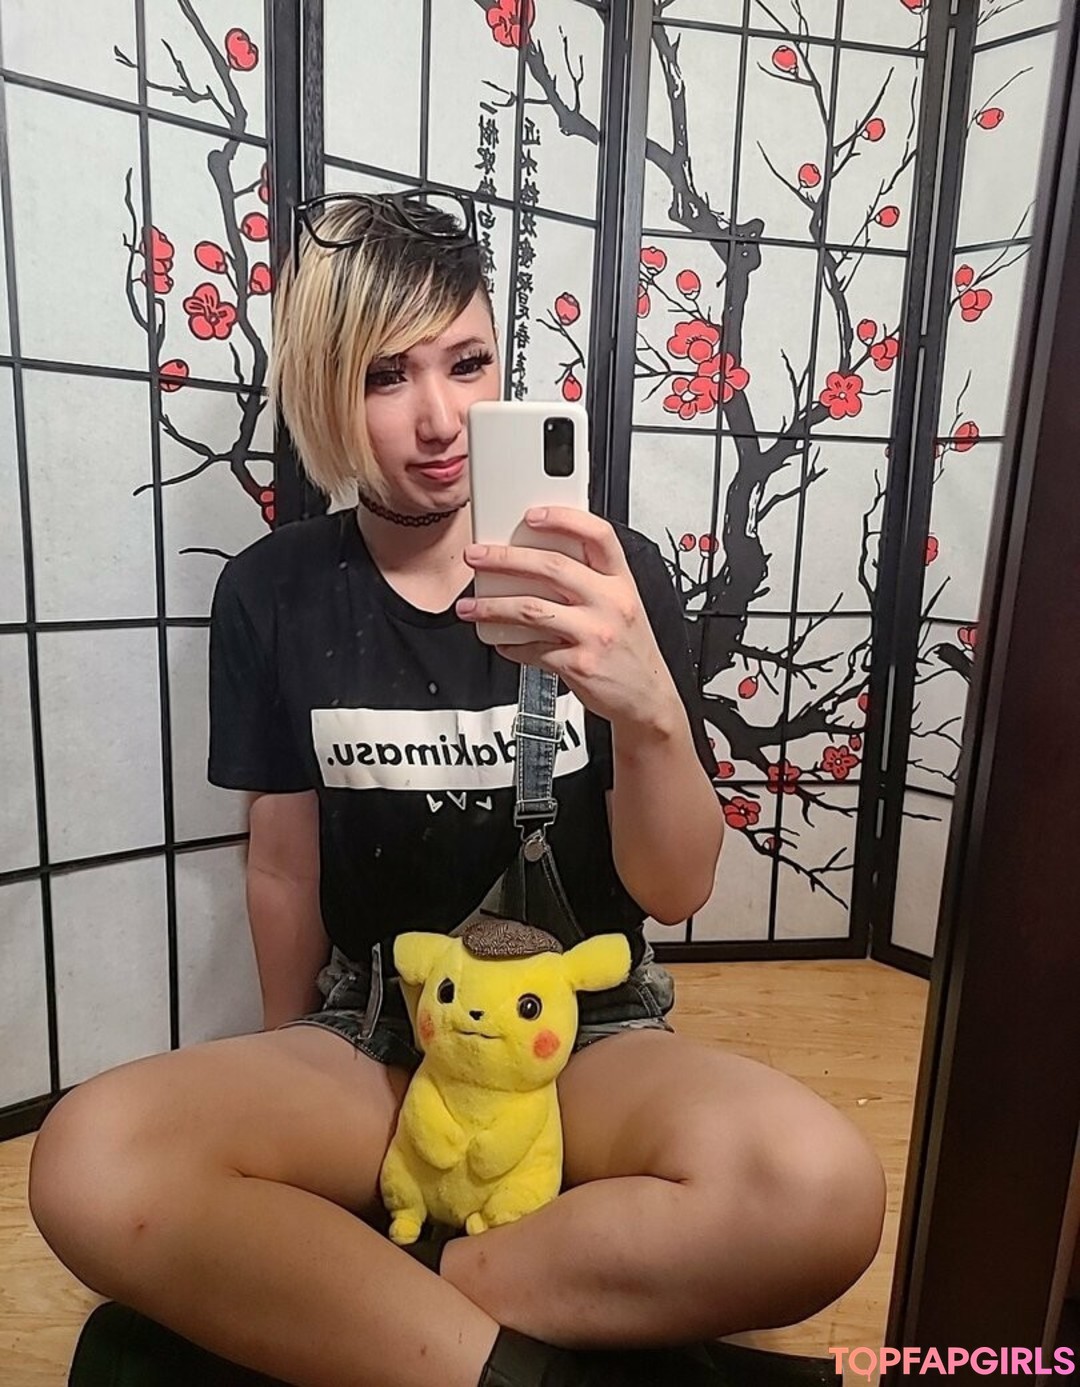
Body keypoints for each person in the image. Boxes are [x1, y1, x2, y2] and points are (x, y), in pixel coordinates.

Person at [28, 191, 886, 1387]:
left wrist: (649, 713)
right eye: (386, 376)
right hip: (382, 1034)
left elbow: (676, 888)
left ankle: (397, 1305)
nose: (438, 418)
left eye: (467, 362)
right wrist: (286, 1079)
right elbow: (282, 863)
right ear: (326, 389)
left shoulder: (607, 570)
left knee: (821, 1189)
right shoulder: (274, 591)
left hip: (586, 1035)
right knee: (89, 1159)